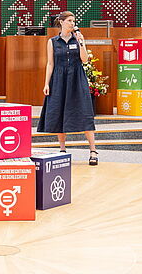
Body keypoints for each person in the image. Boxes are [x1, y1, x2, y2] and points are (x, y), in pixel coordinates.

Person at [38, 11, 98, 165]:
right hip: (59, 80)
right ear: (62, 22)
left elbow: (84, 60)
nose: (73, 23)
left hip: (77, 79)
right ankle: (62, 150)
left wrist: (82, 43)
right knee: (59, 111)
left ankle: (93, 151)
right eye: (70, 20)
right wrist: (46, 83)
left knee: (85, 112)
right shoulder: (52, 41)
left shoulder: (77, 39)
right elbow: (50, 64)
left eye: (74, 21)